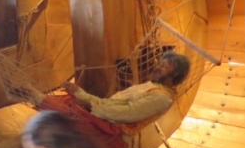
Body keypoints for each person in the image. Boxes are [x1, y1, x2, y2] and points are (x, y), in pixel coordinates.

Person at [61, 51, 191, 126]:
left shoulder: (161, 98)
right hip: (105, 116)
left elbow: (127, 113)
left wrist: (92, 106)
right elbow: (108, 103)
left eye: (163, 67)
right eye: (159, 64)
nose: (157, 67)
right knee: (63, 102)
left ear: (174, 75)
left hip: (112, 127)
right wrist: (78, 92)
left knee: (60, 111)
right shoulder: (154, 87)